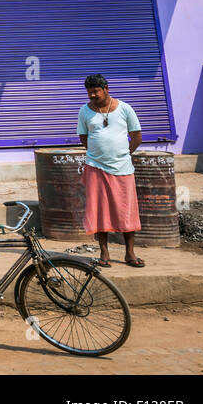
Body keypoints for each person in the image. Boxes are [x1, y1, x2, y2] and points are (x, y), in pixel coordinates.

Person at [78, 73, 144, 268]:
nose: (92, 95)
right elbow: (84, 138)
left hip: (123, 168)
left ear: (106, 89)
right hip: (96, 168)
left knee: (127, 210)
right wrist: (98, 154)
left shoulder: (125, 108)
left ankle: (129, 253)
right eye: (89, 92)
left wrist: (124, 154)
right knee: (99, 211)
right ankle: (104, 252)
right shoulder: (84, 111)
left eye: (95, 91)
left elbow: (137, 136)